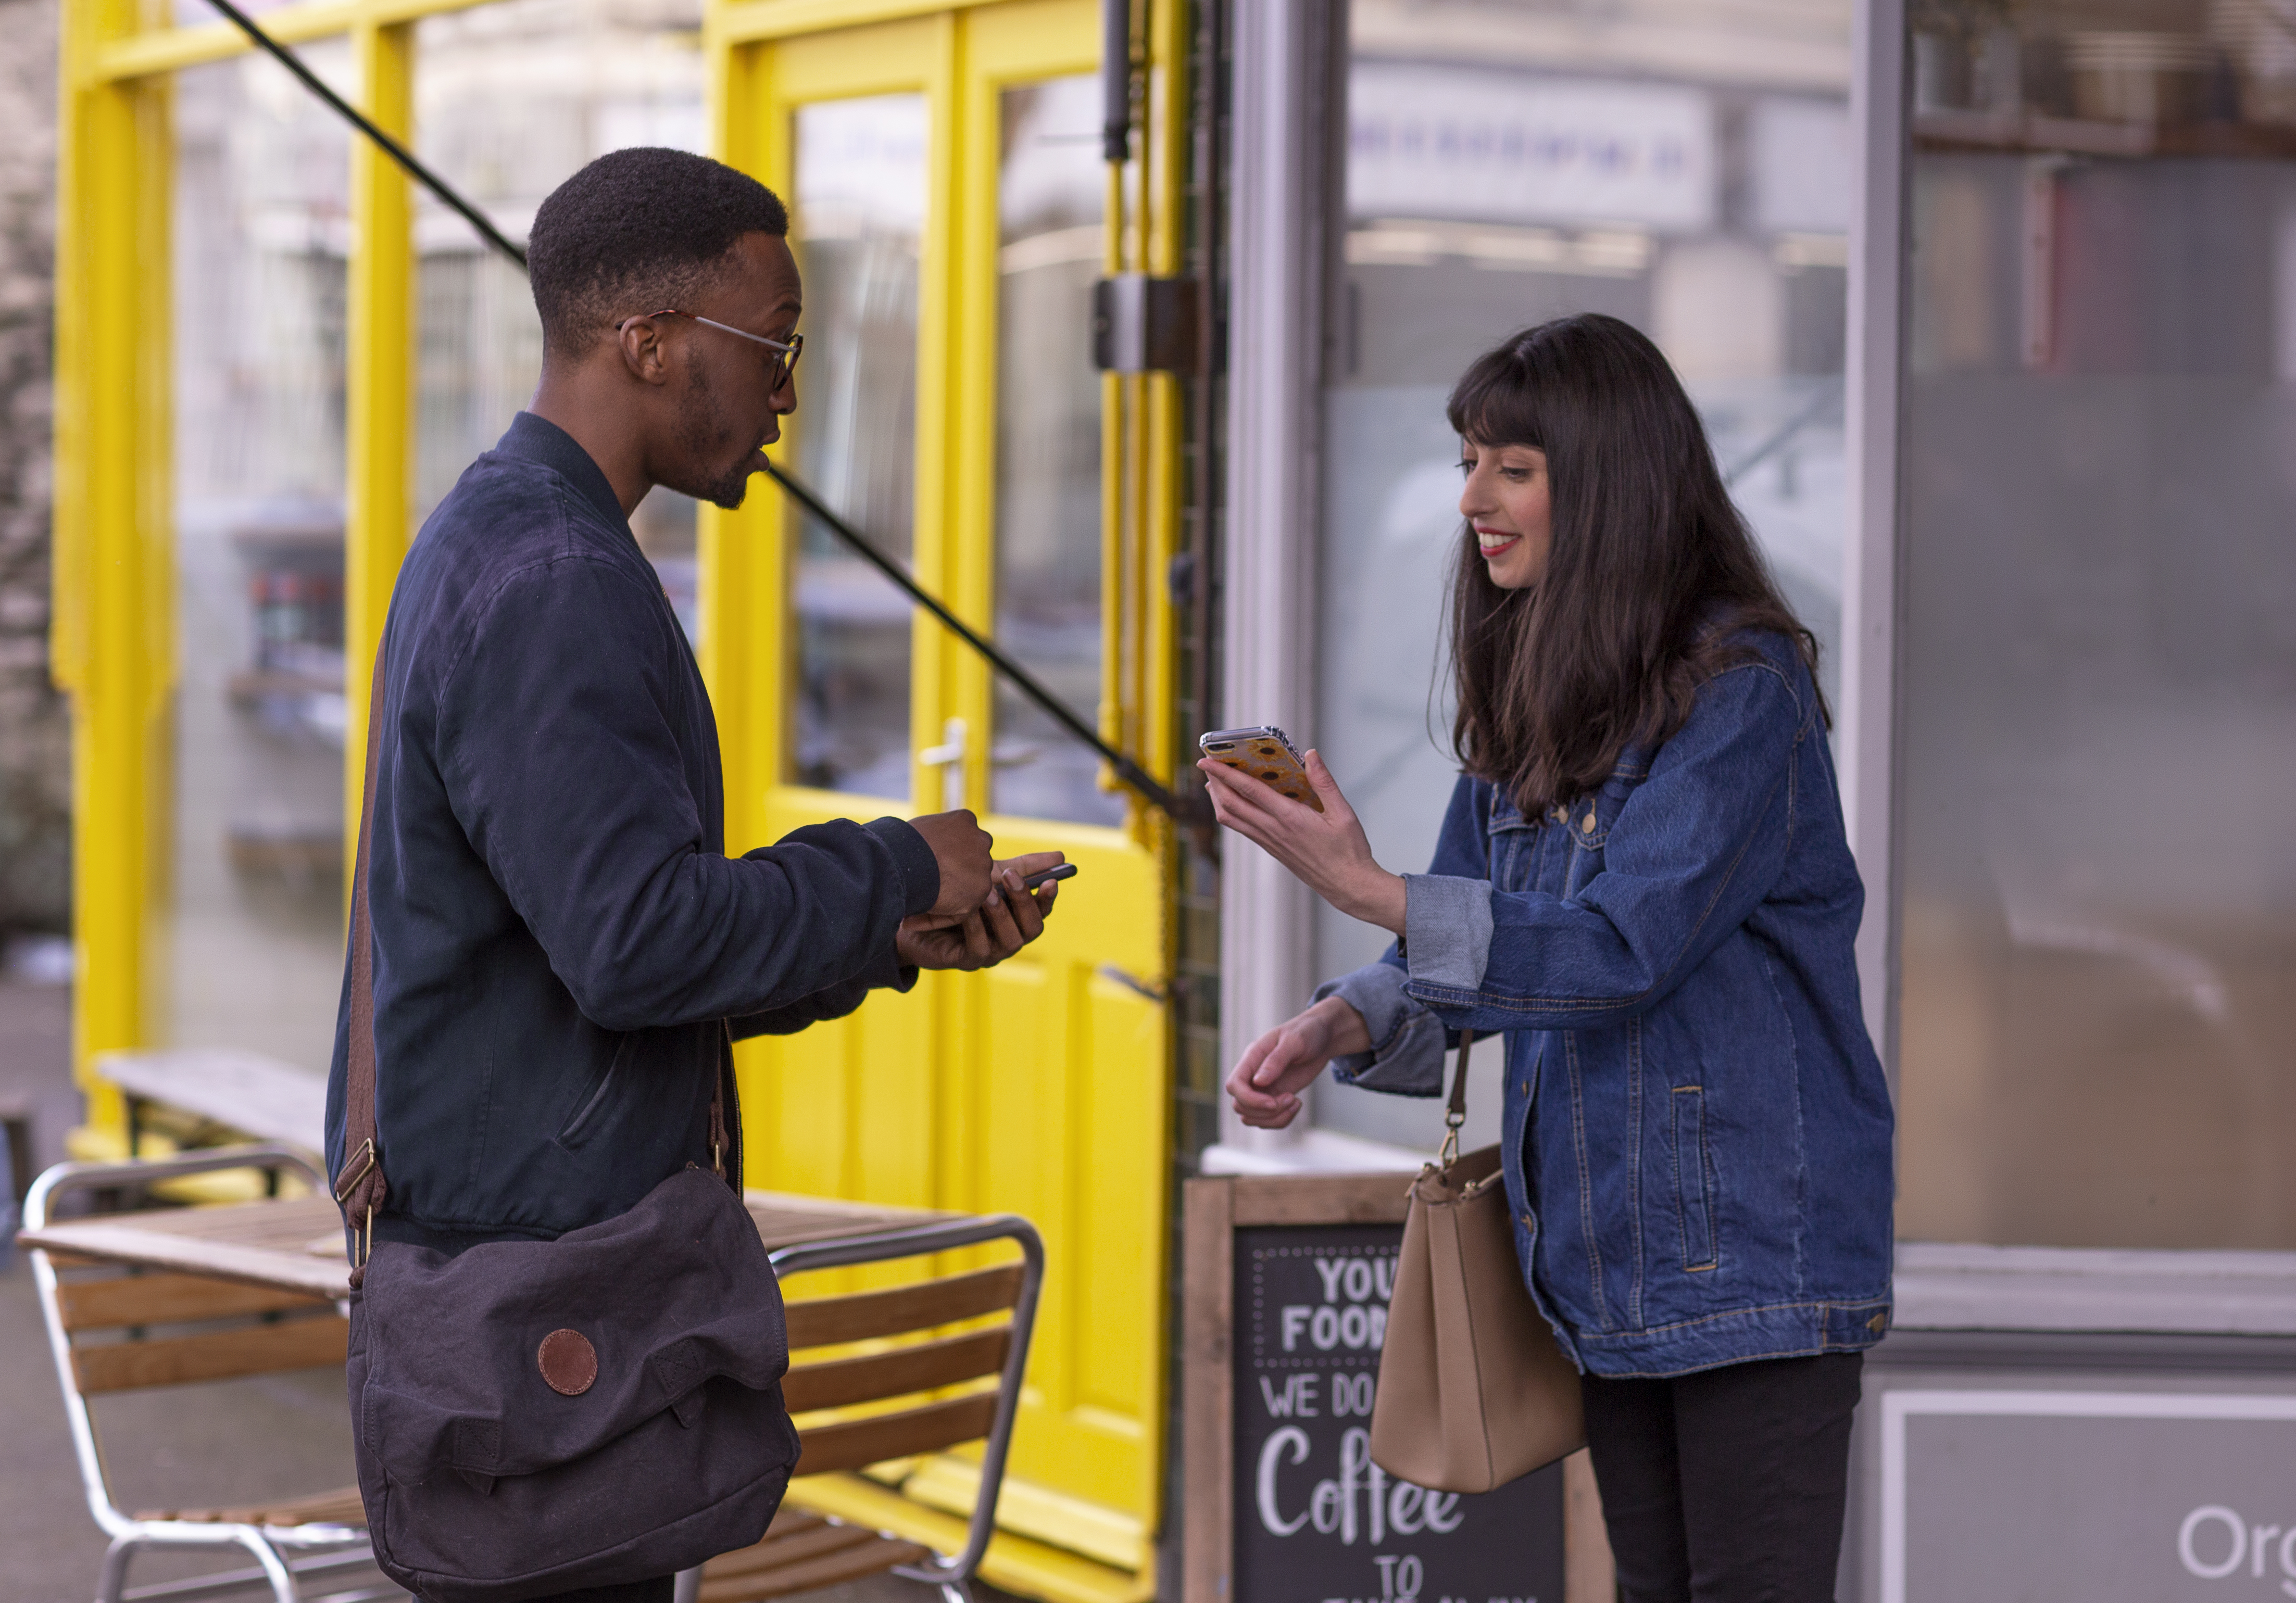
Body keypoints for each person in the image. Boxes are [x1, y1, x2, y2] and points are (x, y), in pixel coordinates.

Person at [324, 147, 1057, 1603]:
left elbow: (605, 952)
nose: (790, 386)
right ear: (646, 342)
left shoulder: (511, 543)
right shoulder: (554, 582)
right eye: (773, 341)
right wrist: (893, 860)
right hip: (539, 1300)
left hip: (535, 1273)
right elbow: (635, 945)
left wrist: (895, 929)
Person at [1201, 313, 1893, 1603]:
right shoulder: (1541, 682)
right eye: (1469, 461)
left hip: (1752, 1258)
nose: (1471, 498)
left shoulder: (1742, 690)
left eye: (1510, 466)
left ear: (1610, 482)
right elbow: (1482, 939)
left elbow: (1615, 950)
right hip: (1599, 1256)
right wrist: (1340, 1025)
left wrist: (1366, 886)